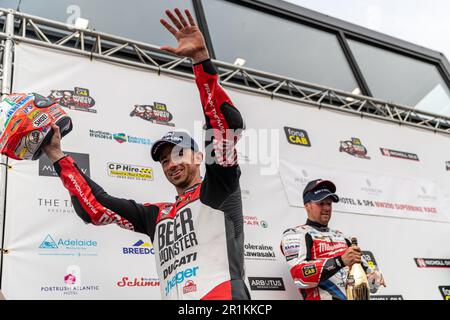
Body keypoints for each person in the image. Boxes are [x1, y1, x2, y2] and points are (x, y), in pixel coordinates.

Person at [43, 8, 250, 300]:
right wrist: (55, 154)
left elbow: (224, 127)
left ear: (198, 157)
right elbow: (96, 207)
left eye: (177, 154)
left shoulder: (220, 188)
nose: (170, 163)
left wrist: (201, 62)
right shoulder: (157, 215)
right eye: (164, 160)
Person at [280, 179, 385, 300]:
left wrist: (374, 278)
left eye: (329, 204)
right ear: (307, 205)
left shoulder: (343, 238)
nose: (326, 208)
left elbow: (371, 286)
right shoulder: (296, 234)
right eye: (321, 203)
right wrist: (339, 261)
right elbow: (299, 276)